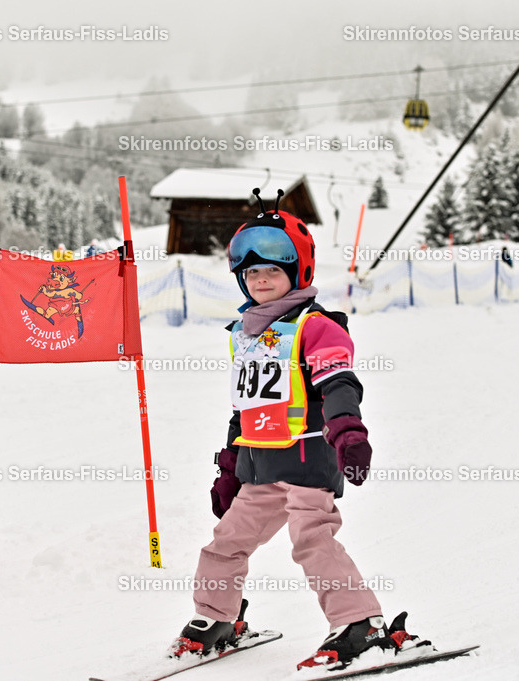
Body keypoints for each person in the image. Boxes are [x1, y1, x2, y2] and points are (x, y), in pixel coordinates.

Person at [171, 190, 424, 671]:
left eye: (272, 270)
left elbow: (339, 382)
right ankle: (216, 618)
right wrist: (230, 467)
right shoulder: (246, 334)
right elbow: (245, 407)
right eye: (252, 273)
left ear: (297, 271)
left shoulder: (315, 325)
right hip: (261, 466)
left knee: (312, 539)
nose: (261, 280)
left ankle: (360, 624)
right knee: (225, 542)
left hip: (308, 459)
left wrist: (348, 431)